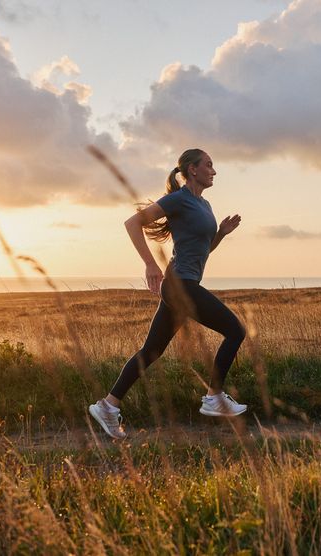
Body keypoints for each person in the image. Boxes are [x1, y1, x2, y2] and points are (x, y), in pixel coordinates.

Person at [89, 148, 247, 440]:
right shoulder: (179, 199)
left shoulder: (205, 205)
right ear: (192, 170)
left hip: (184, 282)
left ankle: (108, 406)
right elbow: (132, 223)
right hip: (180, 285)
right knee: (236, 330)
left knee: (151, 351)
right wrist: (150, 264)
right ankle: (215, 397)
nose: (214, 170)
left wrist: (221, 233)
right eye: (209, 165)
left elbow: (201, 251)